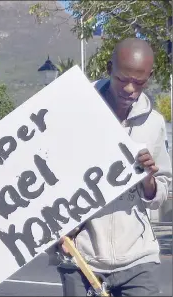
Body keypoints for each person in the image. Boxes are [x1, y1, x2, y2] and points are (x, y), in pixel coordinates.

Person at [51, 38, 172, 296]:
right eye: (122, 79)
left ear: (149, 78)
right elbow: (48, 177)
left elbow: (159, 195)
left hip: (139, 259)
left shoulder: (155, 123)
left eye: (139, 83)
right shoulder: (74, 112)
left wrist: (148, 178)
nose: (129, 89)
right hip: (80, 258)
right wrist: (58, 228)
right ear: (109, 68)